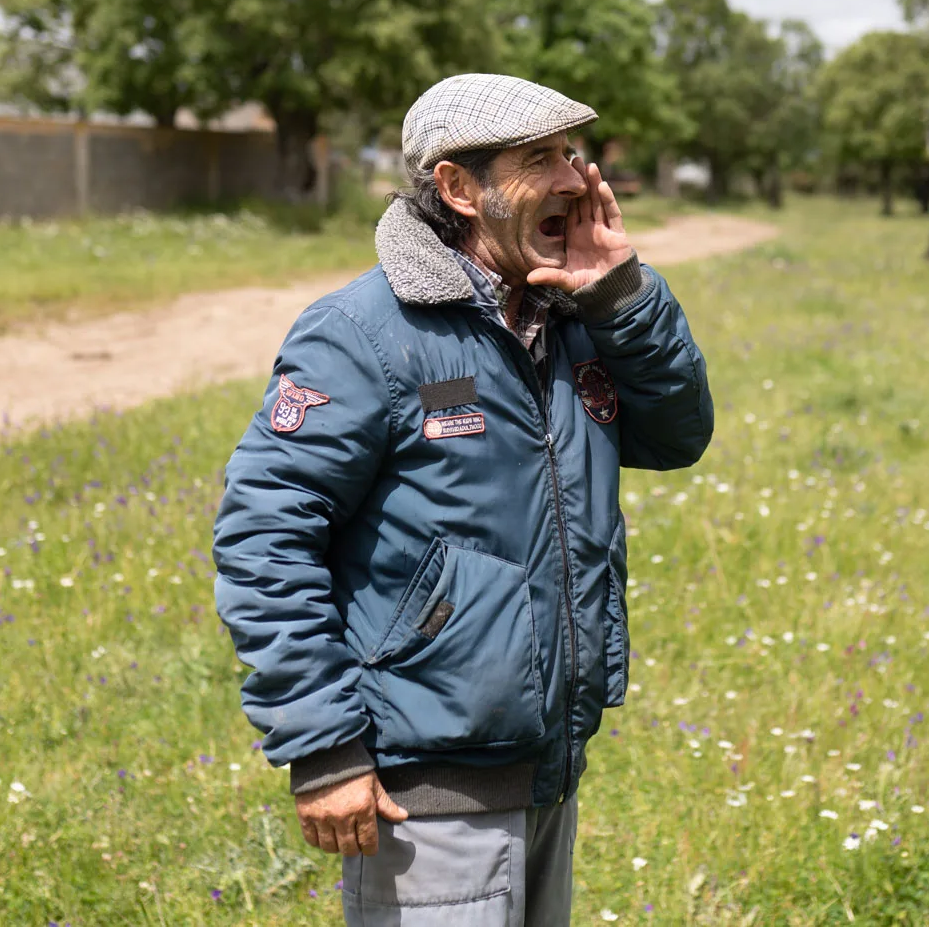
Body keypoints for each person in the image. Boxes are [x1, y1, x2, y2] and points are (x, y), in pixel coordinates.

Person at [213, 72, 714, 926]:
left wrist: (621, 296)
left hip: (549, 762)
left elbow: (675, 438)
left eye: (570, 153)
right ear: (457, 188)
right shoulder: (366, 334)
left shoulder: (576, 316)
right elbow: (264, 537)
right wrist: (325, 748)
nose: (573, 179)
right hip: (426, 788)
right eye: (538, 159)